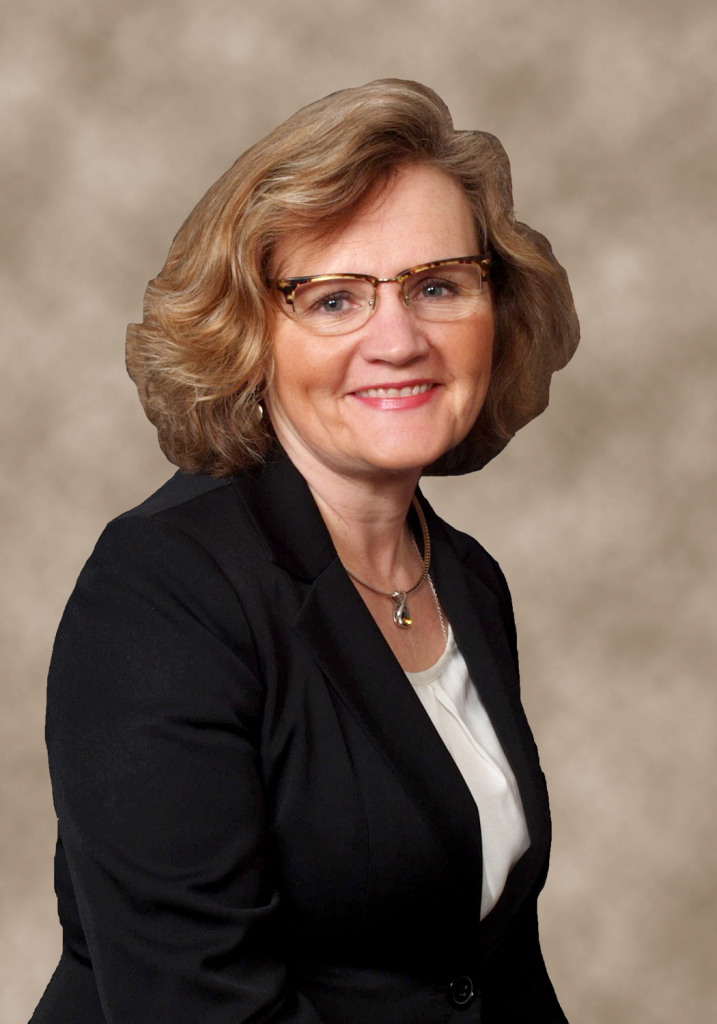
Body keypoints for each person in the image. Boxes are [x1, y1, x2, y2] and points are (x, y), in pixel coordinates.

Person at [31, 78, 579, 1023]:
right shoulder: (163, 592)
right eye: (332, 301)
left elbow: (485, 967)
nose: (398, 340)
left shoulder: (464, 581)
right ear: (249, 334)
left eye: (438, 285)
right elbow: (194, 1004)